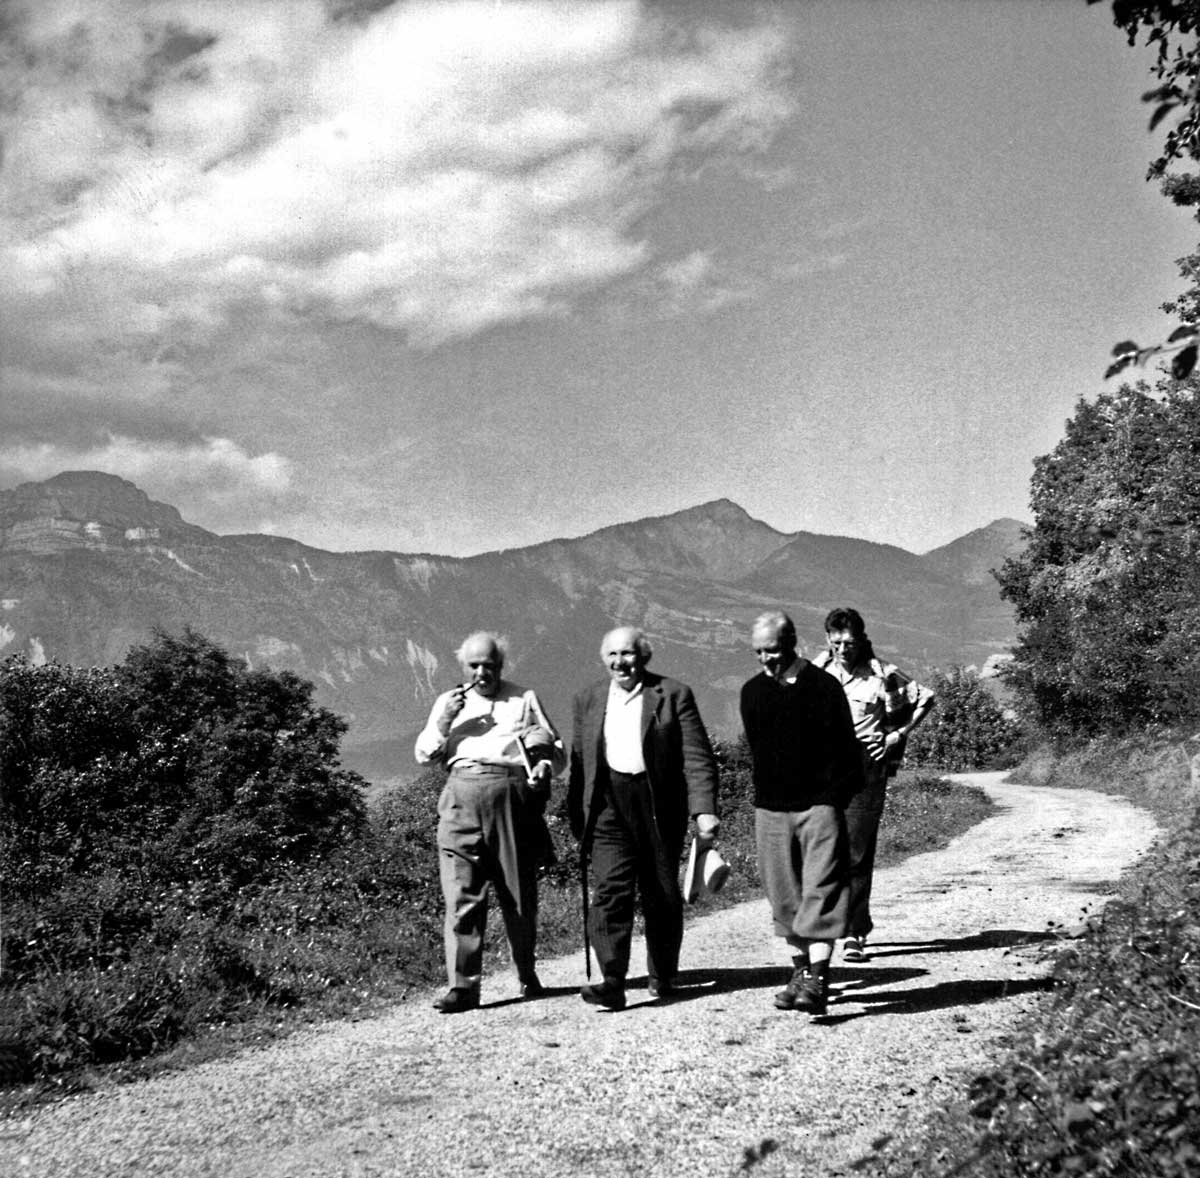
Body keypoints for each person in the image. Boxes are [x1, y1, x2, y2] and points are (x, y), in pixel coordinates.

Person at [567, 625, 719, 1011]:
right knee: (611, 891)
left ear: (644, 657)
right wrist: (576, 816)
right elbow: (581, 761)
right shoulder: (587, 699)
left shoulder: (672, 694)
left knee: (661, 893)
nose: (621, 662)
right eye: (613, 655)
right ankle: (612, 980)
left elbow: (697, 757)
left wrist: (704, 810)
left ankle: (663, 971)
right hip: (607, 806)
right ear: (605, 660)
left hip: (657, 804)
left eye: (629, 654)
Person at [415, 631, 565, 1013]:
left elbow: (557, 752)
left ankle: (527, 973)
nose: (483, 673)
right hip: (460, 793)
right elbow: (424, 754)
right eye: (475, 665)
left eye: (490, 665)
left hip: (510, 793)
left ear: (502, 666)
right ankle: (462, 987)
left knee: (518, 893)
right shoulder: (448, 702)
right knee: (461, 893)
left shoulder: (523, 697)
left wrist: (545, 765)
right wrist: (445, 721)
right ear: (463, 666)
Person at [740, 610, 863, 1016]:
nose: (765, 660)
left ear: (791, 643)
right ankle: (799, 973)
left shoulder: (823, 686)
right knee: (784, 895)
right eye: (758, 652)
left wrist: (832, 799)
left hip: (818, 806)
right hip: (771, 809)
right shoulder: (752, 693)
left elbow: (847, 750)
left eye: (772, 651)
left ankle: (819, 977)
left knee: (822, 891)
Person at [812, 606, 935, 963]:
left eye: (849, 642)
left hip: (866, 766)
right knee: (823, 849)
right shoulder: (817, 672)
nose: (843, 649)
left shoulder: (881, 674)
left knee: (857, 851)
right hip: (824, 768)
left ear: (861, 640)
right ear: (827, 640)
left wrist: (897, 735)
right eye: (836, 642)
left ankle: (854, 932)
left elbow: (924, 698)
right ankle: (823, 925)